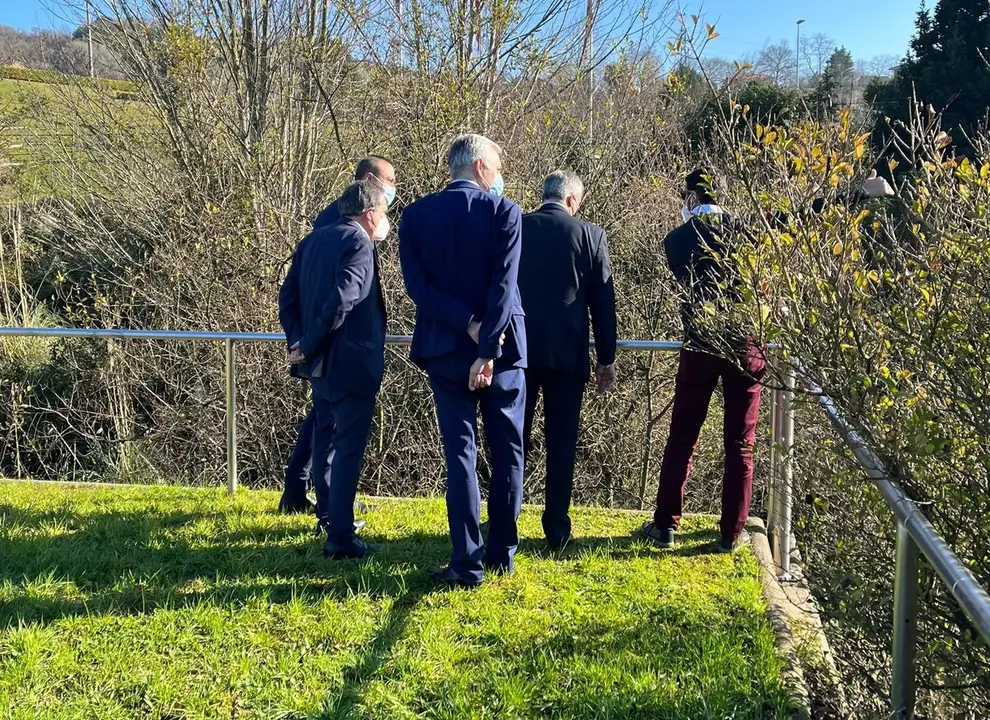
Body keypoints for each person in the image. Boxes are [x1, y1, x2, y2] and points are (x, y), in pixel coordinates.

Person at [640, 168, 893, 552]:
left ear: (691, 198)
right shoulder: (748, 228)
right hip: (745, 345)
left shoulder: (675, 241)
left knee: (682, 437)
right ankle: (731, 532)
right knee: (741, 442)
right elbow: (807, 212)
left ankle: (665, 524)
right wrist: (861, 192)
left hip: (700, 344)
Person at [398, 133, 526, 588]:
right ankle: (501, 554)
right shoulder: (505, 211)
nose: (498, 176)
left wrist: (468, 326)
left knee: (460, 455)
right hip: (505, 352)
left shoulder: (413, 217)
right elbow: (504, 283)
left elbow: (419, 289)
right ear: (479, 168)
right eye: (496, 167)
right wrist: (488, 345)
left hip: (445, 348)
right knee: (508, 450)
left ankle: (466, 562)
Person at [278, 155, 397, 519]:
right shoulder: (358, 243)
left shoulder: (311, 241)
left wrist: (299, 342)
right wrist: (309, 342)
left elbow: (289, 297)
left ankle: (329, 514)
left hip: (319, 363)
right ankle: (340, 531)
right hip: (348, 360)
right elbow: (343, 299)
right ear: (370, 212)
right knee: (346, 446)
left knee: (325, 437)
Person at [517, 170, 617, 550]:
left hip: (518, 353)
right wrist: (606, 358)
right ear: (573, 200)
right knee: (561, 443)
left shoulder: (516, 226)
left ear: (545, 195)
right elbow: (603, 304)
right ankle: (556, 528)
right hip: (568, 354)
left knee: (513, 439)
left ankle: (504, 517)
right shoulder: (590, 236)